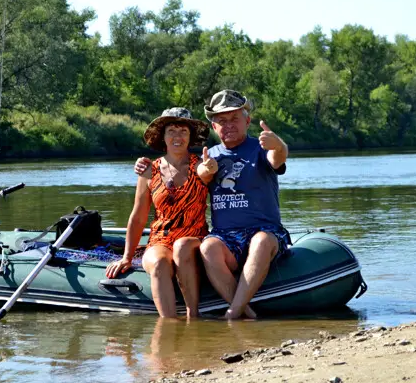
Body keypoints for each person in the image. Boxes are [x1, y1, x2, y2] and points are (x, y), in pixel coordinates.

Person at [135, 90, 290, 320]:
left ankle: (234, 312)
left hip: (263, 230)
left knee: (261, 241)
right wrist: (205, 172)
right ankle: (246, 312)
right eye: (221, 120)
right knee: (208, 247)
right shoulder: (209, 155)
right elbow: (200, 172)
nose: (228, 125)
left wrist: (279, 146)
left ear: (247, 121)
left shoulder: (261, 148)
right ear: (214, 127)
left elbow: (277, 159)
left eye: (234, 118)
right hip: (225, 237)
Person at [105, 107, 212, 318]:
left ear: (190, 136)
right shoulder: (148, 170)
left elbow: (209, 174)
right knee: (161, 262)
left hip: (194, 238)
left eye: (183, 131)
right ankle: (168, 327)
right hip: (160, 240)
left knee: (182, 246)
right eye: (171, 130)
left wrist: (210, 168)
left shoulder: (200, 166)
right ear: (163, 136)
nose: (177, 136)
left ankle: (194, 317)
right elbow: (138, 216)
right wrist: (127, 257)